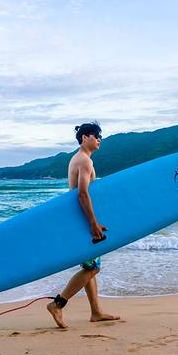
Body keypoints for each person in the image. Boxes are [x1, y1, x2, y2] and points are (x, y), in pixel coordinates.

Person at [47, 122, 120, 328]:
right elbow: (82, 193)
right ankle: (57, 304)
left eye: (100, 137)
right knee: (92, 268)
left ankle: (96, 312)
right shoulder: (84, 161)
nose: (99, 140)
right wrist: (93, 224)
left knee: (90, 266)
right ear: (85, 137)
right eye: (96, 136)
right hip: (83, 221)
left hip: (78, 220)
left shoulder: (78, 159)